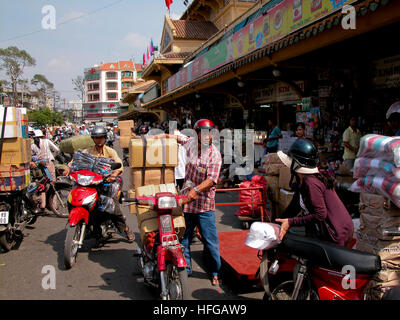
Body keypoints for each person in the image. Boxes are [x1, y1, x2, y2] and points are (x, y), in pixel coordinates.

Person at [153, 119, 223, 286]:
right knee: (183, 238)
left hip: (204, 204)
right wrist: (159, 136)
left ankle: (215, 272)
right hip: (187, 203)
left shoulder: (215, 155)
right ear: (197, 133)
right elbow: (177, 138)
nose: (207, 136)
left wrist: (197, 190)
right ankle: (187, 269)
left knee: (210, 240)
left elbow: (212, 180)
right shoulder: (190, 143)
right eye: (203, 133)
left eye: (209, 133)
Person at [275, 139, 354, 247]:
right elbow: (294, 207)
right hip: (336, 228)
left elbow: (320, 215)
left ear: (296, 165)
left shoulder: (310, 182)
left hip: (335, 233)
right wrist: (277, 223)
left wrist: (291, 222)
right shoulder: (304, 181)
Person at [63, 126, 134, 244]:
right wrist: (68, 168)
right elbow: (76, 161)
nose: (99, 140)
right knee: (76, 198)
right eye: (96, 138)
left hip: (106, 182)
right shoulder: (88, 151)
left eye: (101, 137)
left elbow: (119, 164)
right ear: (93, 139)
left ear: (105, 138)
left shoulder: (110, 151)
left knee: (112, 207)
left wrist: (114, 174)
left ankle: (125, 229)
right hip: (90, 182)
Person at [31, 129, 60, 212]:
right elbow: (57, 150)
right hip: (43, 166)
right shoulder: (36, 145)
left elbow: (56, 150)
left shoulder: (43, 143)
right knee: (45, 184)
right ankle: (46, 205)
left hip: (45, 165)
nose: (37, 140)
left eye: (38, 138)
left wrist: (51, 158)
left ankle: (49, 205)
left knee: (48, 183)